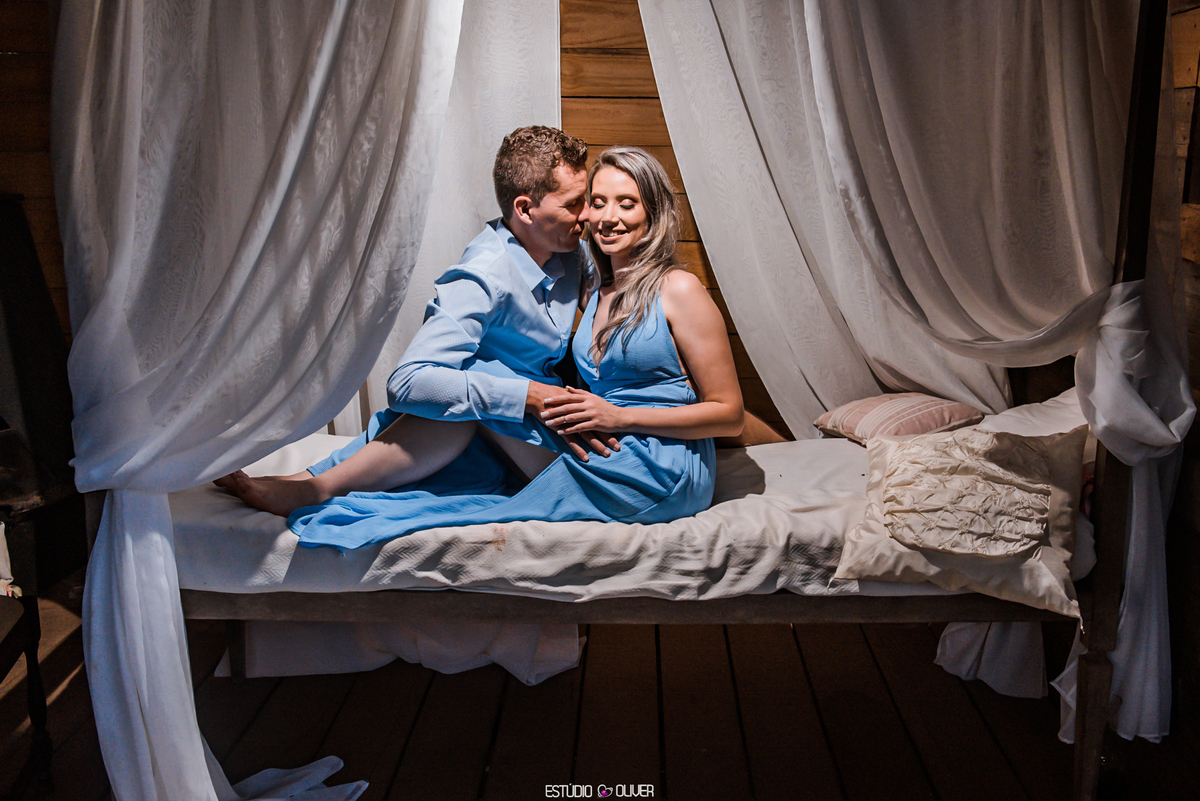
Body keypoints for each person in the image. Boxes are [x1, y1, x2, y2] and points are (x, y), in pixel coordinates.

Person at [224, 145, 744, 549]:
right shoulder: (596, 280)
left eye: (625, 203)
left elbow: (728, 412)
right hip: (607, 438)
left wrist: (621, 418)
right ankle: (317, 481)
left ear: (654, 212)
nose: (601, 217)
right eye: (594, 202)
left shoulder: (678, 289)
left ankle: (318, 486)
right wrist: (576, 410)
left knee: (482, 387)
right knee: (477, 386)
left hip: (653, 466)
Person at [217, 125, 617, 514]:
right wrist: (527, 395)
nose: (588, 216)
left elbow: (610, 310)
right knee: (460, 383)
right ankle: (313, 484)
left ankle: (314, 483)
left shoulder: (570, 248)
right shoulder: (484, 276)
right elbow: (407, 382)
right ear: (525, 209)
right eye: (573, 204)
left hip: (520, 430)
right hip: (499, 423)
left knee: (468, 386)